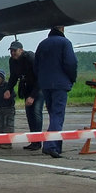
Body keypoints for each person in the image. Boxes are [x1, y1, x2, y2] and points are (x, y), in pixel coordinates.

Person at [33, 26, 77, 158]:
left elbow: (36, 65)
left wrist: (41, 79)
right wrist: (71, 78)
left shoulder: (42, 44)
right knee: (58, 114)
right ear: (62, 29)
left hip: (45, 84)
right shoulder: (65, 43)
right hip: (60, 84)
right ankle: (51, 145)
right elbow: (71, 63)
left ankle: (52, 145)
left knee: (53, 114)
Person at [6, 40, 43, 150]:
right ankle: (33, 141)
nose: (12, 53)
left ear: (21, 50)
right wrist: (8, 89)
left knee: (36, 112)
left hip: (38, 88)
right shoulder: (12, 61)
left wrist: (32, 96)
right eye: (11, 51)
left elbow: (40, 77)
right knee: (29, 114)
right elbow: (13, 77)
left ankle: (38, 141)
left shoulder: (30, 58)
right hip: (26, 88)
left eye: (15, 51)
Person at [0, 69, 15, 148]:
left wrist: (9, 96)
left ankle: (8, 143)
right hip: (0, 109)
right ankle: (1, 142)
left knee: (8, 126)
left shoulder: (8, 86)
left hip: (9, 109)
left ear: (2, 78)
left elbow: (13, 96)